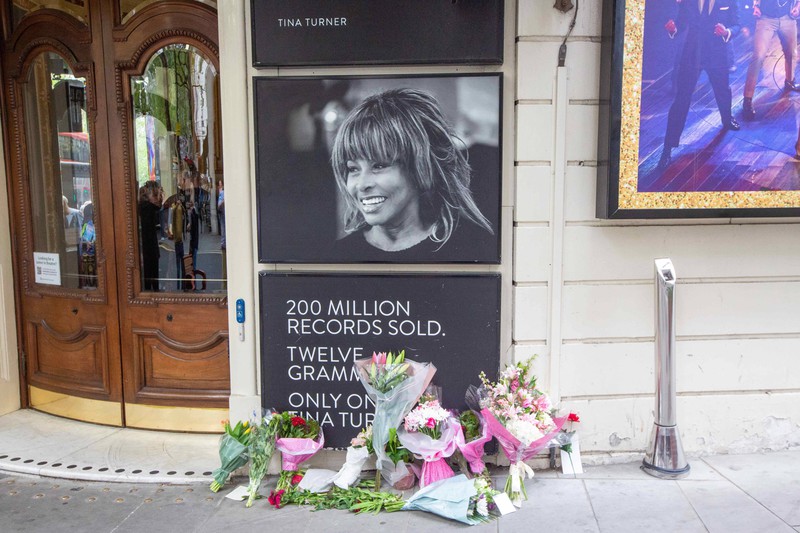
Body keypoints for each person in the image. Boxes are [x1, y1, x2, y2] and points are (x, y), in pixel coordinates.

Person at [330, 88, 493, 260]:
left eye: (378, 166)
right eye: (353, 169)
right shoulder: (339, 257)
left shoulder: (473, 247)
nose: (362, 184)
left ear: (419, 167)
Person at [658, 0, 741, 170]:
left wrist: (727, 32)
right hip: (692, 53)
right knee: (681, 99)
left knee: (722, 90)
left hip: (717, 53)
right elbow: (680, 22)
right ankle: (668, 148)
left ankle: (727, 119)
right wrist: (673, 29)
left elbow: (737, 25)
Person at [742, 0, 800, 120]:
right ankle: (747, 99)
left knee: (791, 53)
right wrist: (756, 5)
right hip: (766, 19)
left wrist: (798, 6)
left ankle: (790, 81)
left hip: (787, 18)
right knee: (758, 57)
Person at [138, 181, 163, 292]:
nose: (158, 198)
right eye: (156, 195)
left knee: (148, 282)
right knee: (151, 282)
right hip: (149, 251)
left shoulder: (145, 208)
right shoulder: (148, 209)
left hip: (148, 250)